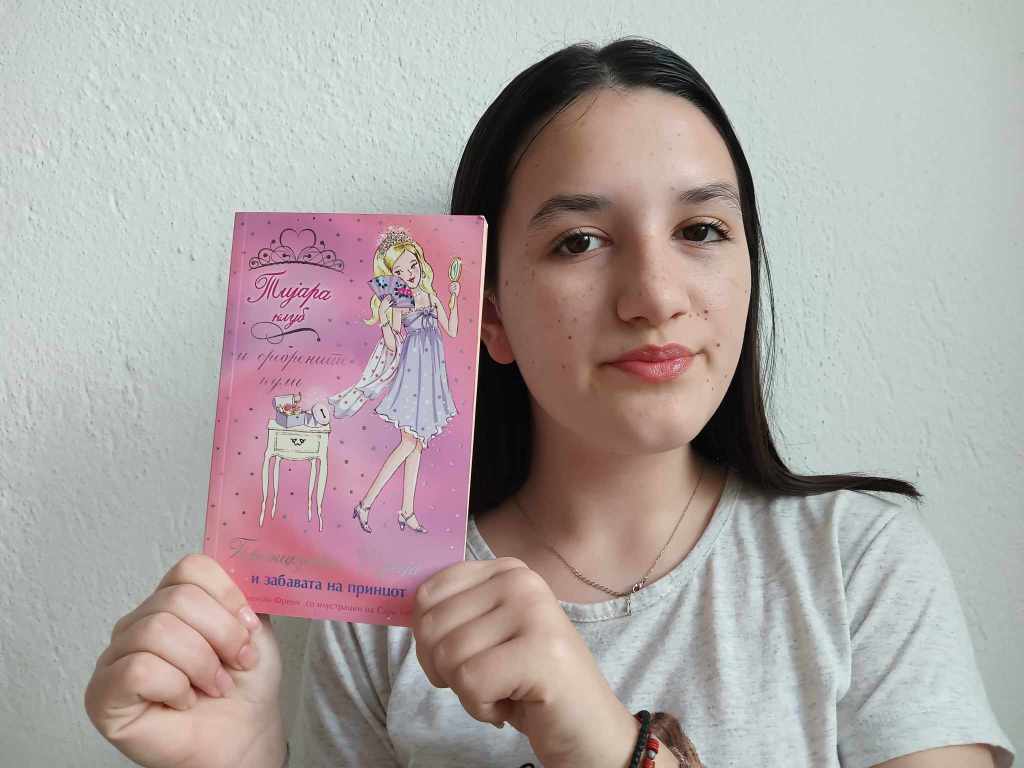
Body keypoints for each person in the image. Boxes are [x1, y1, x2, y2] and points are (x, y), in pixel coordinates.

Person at [83, 37, 1016, 768]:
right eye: (579, 242)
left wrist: (611, 747)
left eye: (701, 229)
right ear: (487, 314)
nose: (655, 296)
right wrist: (248, 762)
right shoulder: (379, 610)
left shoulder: (860, 570)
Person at [327, 226, 460, 535]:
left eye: (412, 265)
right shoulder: (400, 301)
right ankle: (366, 503)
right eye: (399, 271)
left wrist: (453, 297)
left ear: (420, 262)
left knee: (417, 446)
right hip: (411, 376)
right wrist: (386, 320)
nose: (409, 274)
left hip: (431, 376)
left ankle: (407, 511)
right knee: (409, 443)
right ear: (392, 276)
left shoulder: (431, 296)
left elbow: (452, 330)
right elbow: (391, 343)